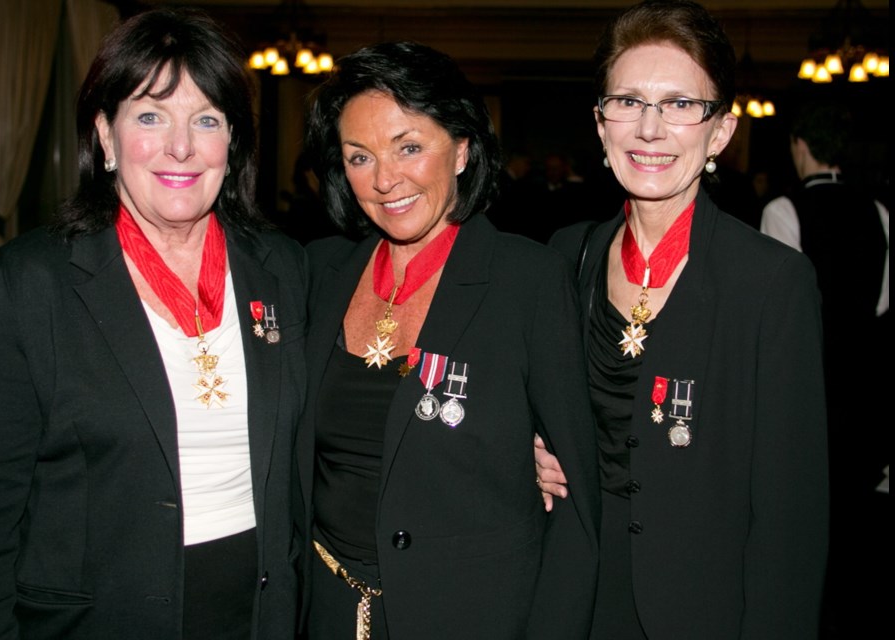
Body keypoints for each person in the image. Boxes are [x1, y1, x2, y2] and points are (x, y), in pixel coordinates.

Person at [0, 9, 306, 639]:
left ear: (233, 144)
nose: (181, 146)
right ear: (105, 138)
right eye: (149, 115)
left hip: (258, 615)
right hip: (97, 619)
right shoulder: (28, 283)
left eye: (207, 120)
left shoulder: (283, 269)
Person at [537, 1, 829, 638]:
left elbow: (791, 518)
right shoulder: (566, 256)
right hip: (569, 592)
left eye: (678, 104)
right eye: (629, 102)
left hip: (703, 605)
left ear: (719, 132)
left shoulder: (772, 282)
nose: (649, 128)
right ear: (600, 123)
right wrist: (525, 448)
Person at [299, 41, 599, 639]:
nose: (386, 179)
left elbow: (578, 507)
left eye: (409, 147)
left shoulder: (529, 282)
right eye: (360, 157)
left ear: (462, 149)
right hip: (326, 610)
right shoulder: (316, 273)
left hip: (474, 617)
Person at [760, 101, 889, 637]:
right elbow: (885, 304)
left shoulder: (783, 211)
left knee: (805, 519)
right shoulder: (881, 212)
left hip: (808, 387)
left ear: (799, 147)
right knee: (857, 528)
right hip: (866, 387)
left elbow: (778, 311)